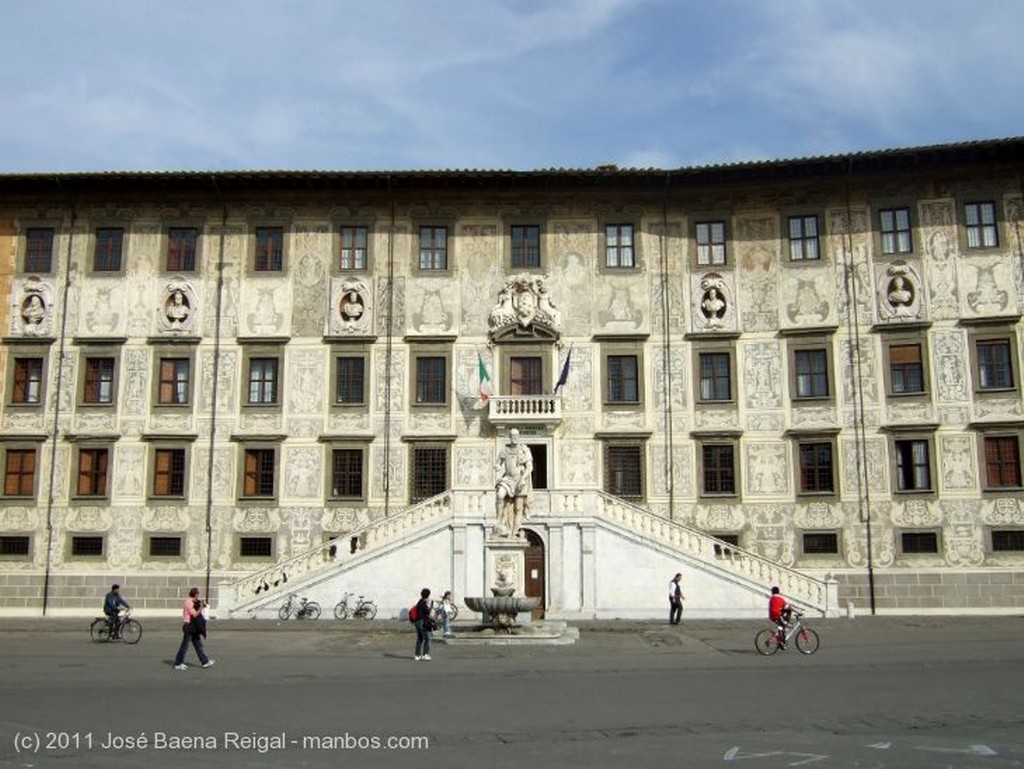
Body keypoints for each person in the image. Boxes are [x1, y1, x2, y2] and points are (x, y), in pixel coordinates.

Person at [495, 428, 533, 539]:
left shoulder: (524, 450)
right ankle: (499, 522)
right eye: (512, 436)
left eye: (516, 436)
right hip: (508, 479)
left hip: (520, 480)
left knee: (518, 507)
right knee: (500, 495)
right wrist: (497, 467)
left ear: (519, 437)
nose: (514, 438)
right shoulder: (504, 450)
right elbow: (498, 463)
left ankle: (515, 530)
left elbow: (530, 467)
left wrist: (523, 479)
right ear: (510, 437)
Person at [173, 586, 214, 671]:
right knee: (184, 646)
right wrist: (201, 607)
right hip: (189, 626)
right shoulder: (188, 602)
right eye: (197, 594)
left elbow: (197, 603)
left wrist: (202, 604)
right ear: (195, 594)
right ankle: (178, 663)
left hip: (193, 626)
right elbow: (194, 614)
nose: (198, 596)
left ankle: (205, 662)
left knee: (198, 645)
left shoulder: (191, 600)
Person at [413, 587, 433, 661]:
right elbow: (428, 612)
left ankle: (417, 655)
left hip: (417, 622)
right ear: (428, 595)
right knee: (427, 638)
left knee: (420, 638)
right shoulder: (423, 603)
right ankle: (425, 654)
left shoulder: (419, 602)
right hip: (422, 622)